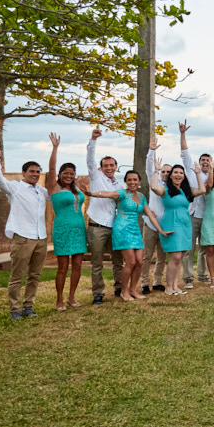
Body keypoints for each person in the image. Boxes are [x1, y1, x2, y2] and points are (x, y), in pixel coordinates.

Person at [0, 139, 49, 319]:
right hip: (23, 237)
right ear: (24, 173)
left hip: (41, 237)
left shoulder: (41, 191)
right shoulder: (15, 188)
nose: (35, 174)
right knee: (17, 275)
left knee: (35, 275)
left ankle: (29, 306)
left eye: (38, 172)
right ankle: (14, 309)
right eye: (32, 171)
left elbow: (55, 194)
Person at [86, 170, 168, 300]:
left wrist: (160, 230)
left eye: (135, 180)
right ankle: (124, 292)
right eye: (129, 180)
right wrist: (92, 194)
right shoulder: (122, 194)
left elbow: (150, 215)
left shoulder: (141, 196)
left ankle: (133, 290)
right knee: (130, 262)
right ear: (126, 181)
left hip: (135, 230)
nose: (132, 182)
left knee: (140, 262)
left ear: (139, 182)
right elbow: (108, 194)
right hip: (122, 229)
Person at [150, 156, 205, 295]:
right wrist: (156, 171)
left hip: (185, 225)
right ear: (170, 175)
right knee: (174, 257)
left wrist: (198, 173)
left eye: (181, 173)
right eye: (175, 172)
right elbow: (153, 187)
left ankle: (175, 286)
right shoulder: (165, 189)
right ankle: (169, 288)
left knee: (180, 257)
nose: (178, 175)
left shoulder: (186, 191)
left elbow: (203, 190)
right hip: (171, 224)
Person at [46, 133, 85, 311]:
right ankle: (59, 299)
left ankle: (72, 297)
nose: (68, 176)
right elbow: (52, 168)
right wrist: (55, 148)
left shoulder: (77, 189)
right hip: (62, 229)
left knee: (77, 265)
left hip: (78, 230)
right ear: (60, 175)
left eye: (72, 173)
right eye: (65, 173)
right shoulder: (54, 188)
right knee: (63, 267)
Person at [86, 128, 123, 304]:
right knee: (97, 262)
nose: (109, 168)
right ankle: (98, 293)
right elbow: (89, 158)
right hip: (97, 227)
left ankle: (119, 287)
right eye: (106, 165)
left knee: (118, 260)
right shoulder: (96, 177)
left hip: (114, 226)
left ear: (116, 167)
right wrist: (93, 139)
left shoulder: (119, 184)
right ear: (101, 167)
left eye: (112, 165)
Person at [179, 121, 211, 289]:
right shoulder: (192, 171)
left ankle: (203, 274)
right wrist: (183, 134)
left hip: (207, 216)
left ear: (212, 163)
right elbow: (184, 153)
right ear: (198, 162)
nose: (205, 162)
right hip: (192, 215)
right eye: (203, 160)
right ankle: (188, 277)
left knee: (204, 248)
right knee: (189, 247)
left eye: (208, 160)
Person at [141, 136, 169, 295]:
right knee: (146, 256)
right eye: (163, 171)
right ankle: (144, 283)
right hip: (151, 224)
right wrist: (151, 151)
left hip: (165, 226)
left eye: (167, 172)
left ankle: (158, 281)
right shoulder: (155, 181)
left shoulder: (173, 187)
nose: (165, 173)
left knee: (162, 257)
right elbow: (148, 168)